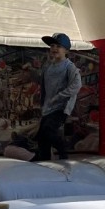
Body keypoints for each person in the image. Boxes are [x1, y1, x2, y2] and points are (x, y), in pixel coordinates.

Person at [35, 32, 82, 162]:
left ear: (66, 50)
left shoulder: (69, 67)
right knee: (42, 138)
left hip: (61, 107)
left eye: (58, 46)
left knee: (48, 130)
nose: (54, 49)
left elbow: (76, 85)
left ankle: (63, 153)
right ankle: (44, 162)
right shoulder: (48, 66)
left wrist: (60, 96)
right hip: (48, 107)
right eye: (52, 46)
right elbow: (43, 83)